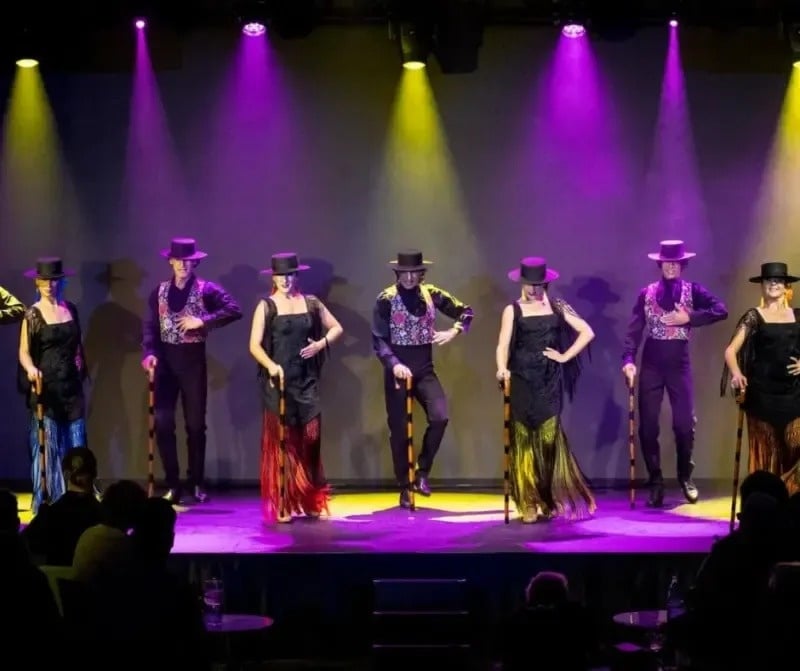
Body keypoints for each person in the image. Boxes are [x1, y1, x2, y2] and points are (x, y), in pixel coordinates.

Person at [622, 240, 728, 507]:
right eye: (667, 262)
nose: (671, 266)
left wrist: (689, 317)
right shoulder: (646, 293)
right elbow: (634, 331)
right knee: (648, 427)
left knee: (683, 425)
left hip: (678, 364)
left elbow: (720, 310)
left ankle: (684, 476)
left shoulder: (693, 290)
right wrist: (628, 360)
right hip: (652, 364)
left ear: (683, 265)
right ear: (660, 264)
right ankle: (656, 482)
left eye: (676, 263)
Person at [141, 238, 242, 504]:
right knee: (163, 423)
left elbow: (234, 309)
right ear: (171, 262)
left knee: (195, 425)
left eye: (189, 261)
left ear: (194, 262)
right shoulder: (159, 292)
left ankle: (196, 482)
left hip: (192, 363)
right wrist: (149, 352)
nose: (184, 265)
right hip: (164, 364)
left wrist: (203, 320)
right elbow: (150, 327)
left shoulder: (205, 289)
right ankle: (173, 483)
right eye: (179, 261)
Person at [495, 257, 596, 522]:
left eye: (538, 284)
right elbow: (503, 345)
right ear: (522, 283)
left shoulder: (557, 306)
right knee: (524, 441)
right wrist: (501, 367)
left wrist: (564, 356)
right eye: (530, 284)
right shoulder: (512, 310)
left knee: (549, 442)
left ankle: (546, 497)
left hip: (548, 382)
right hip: (521, 381)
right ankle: (528, 501)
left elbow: (587, 332)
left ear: (545, 283)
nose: (534, 289)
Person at [372, 250, 474, 508]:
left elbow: (466, 312)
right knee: (400, 430)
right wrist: (393, 364)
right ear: (398, 274)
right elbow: (379, 339)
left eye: (413, 273)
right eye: (404, 273)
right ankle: (404, 486)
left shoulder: (432, 294)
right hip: (398, 371)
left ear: (421, 274)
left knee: (440, 416)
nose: (408, 278)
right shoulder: (386, 299)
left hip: (424, 369)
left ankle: (422, 472)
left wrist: (455, 330)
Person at [249, 253, 343, 523]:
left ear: (296, 276)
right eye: (280, 276)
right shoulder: (267, 306)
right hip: (279, 383)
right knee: (284, 444)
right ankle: (285, 499)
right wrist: (271, 366)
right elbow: (254, 345)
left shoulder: (311, 302)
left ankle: (310, 495)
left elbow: (336, 328)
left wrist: (320, 344)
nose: (285, 280)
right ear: (274, 278)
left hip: (306, 380)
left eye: (289, 275)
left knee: (311, 439)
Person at [721, 262, 800, 495]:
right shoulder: (754, 316)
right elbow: (730, 351)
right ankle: (765, 507)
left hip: (794, 394)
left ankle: (792, 504)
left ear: (786, 286)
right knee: (766, 455)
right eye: (769, 281)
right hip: (762, 396)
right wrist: (736, 373)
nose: (773, 284)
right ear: (763, 286)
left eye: (778, 281)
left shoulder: (797, 316)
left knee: (795, 448)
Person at [18, 257, 88, 514]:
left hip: (71, 387)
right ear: (37, 283)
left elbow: (78, 345)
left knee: (77, 444)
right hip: (46, 389)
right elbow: (24, 352)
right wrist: (30, 369)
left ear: (61, 282)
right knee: (49, 446)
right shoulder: (32, 314)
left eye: (54, 281)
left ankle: (79, 501)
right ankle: (50, 502)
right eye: (45, 280)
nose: (49, 285)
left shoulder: (70, 309)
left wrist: (81, 366)